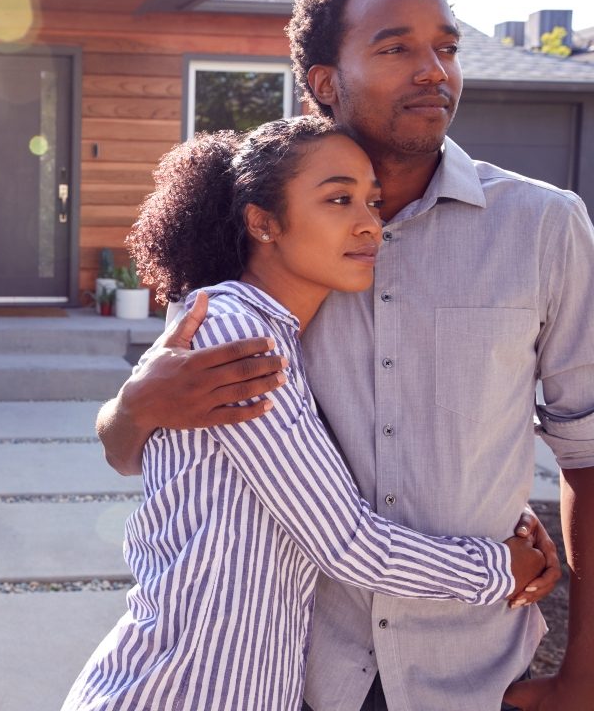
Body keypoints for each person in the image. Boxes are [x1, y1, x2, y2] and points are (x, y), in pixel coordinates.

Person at [97, 0, 594, 711]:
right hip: (296, 671)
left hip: (472, 673)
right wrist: (129, 411)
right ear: (326, 81)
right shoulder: (258, 250)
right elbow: (148, 448)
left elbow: (589, 455)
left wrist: (585, 678)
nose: (434, 71)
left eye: (448, 48)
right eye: (397, 48)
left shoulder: (544, 226)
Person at [62, 118, 548, 711]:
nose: (370, 222)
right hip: (176, 689)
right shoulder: (235, 334)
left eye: (371, 200)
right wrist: (501, 569)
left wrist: (498, 503)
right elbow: (346, 543)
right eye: (338, 199)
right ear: (263, 223)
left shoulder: (283, 334)